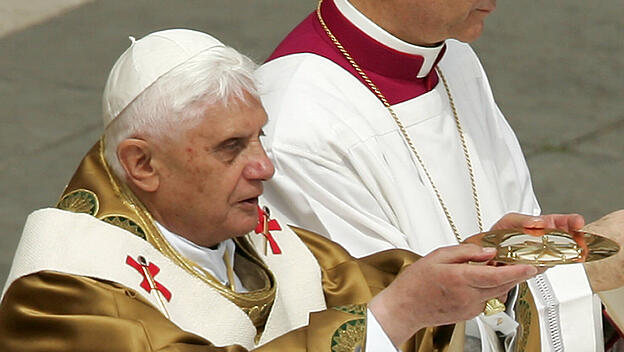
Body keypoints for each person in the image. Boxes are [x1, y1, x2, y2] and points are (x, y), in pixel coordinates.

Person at [0, 28, 546, 351]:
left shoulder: (249, 238)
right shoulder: (61, 293)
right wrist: (391, 318)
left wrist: (486, 261)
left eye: (260, 136)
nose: (264, 167)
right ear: (141, 164)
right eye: (230, 147)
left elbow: (380, 287)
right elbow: (389, 311)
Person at [256, 0, 624, 351]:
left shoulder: (450, 56)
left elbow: (516, 223)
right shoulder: (298, 124)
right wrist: (583, 276)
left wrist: (551, 253)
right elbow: (387, 330)